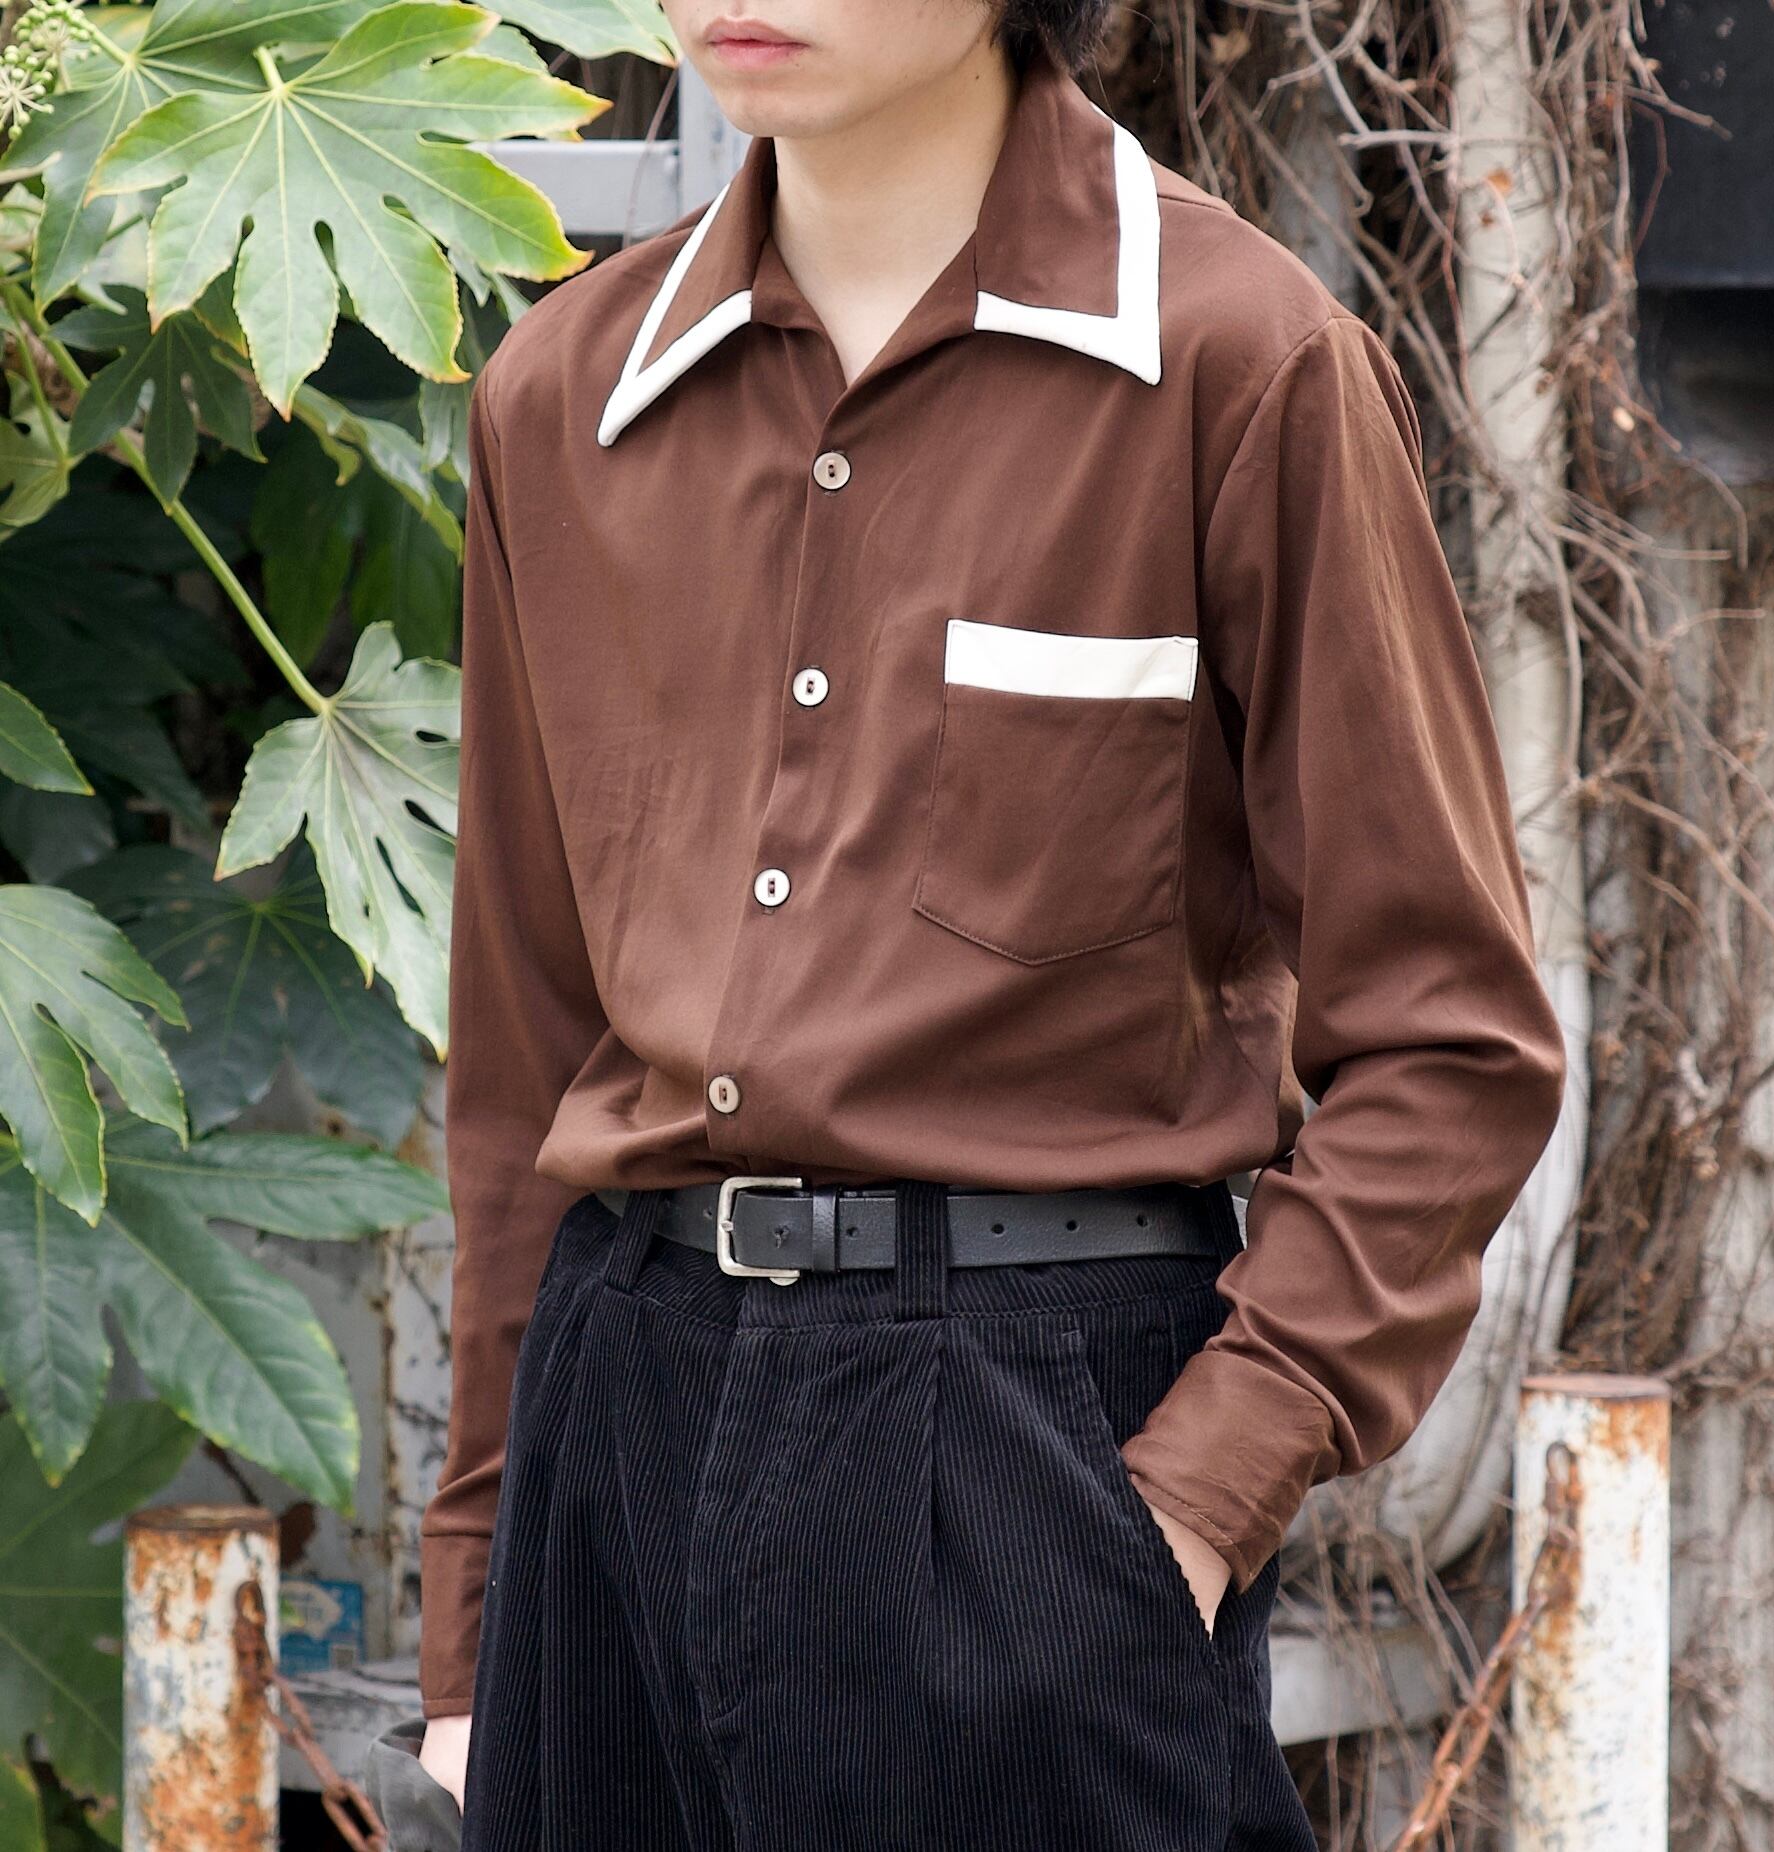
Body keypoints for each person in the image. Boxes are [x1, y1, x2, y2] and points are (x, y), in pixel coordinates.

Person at [408, 1, 1570, 1846]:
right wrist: (480, 1618)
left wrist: (1192, 1504)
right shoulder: (563, 395)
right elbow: (524, 1051)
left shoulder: (1239, 361)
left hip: (1026, 1439)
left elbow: (1453, 1039)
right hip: (615, 1435)